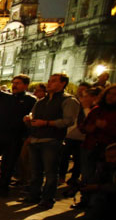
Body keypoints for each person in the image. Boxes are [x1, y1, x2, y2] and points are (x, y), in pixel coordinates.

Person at [0, 64, 36, 196]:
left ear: (26, 85)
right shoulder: (6, 97)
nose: (14, 85)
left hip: (15, 136)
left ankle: (3, 187)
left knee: (8, 164)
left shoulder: (30, 100)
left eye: (18, 83)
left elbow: (34, 116)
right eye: (14, 83)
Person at [23, 73, 80, 209]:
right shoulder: (41, 102)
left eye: (54, 81)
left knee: (50, 172)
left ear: (62, 83)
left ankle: (48, 198)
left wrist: (47, 123)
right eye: (49, 81)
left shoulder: (68, 100)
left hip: (52, 140)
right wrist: (28, 120)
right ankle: (34, 195)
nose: (49, 83)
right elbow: (33, 117)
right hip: (36, 139)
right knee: (35, 171)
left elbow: (68, 121)